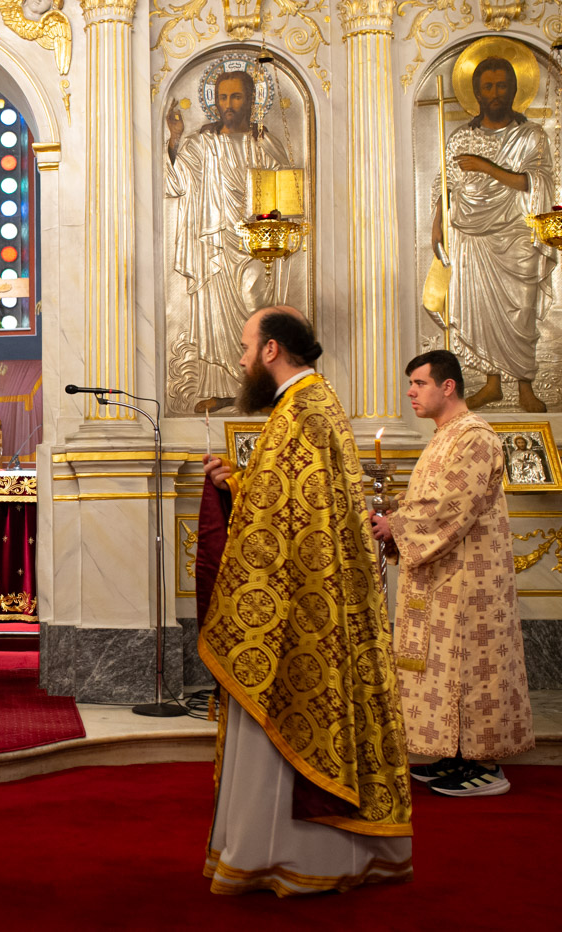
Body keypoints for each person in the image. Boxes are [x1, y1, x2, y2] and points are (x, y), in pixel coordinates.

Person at [198, 306, 412, 895]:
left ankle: (290, 859)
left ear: (271, 350)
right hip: (317, 595)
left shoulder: (301, 412)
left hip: (300, 610)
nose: (242, 359)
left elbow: (285, 521)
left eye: (246, 347)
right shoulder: (312, 404)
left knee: (282, 721)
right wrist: (235, 485)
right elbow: (290, 505)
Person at [370, 350, 535, 795]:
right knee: (445, 670)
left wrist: (395, 526)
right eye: (410, 384)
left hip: (469, 582)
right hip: (443, 577)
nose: (410, 392)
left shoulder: (474, 436)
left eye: (419, 383)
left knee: (472, 669)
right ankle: (454, 755)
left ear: (448, 387)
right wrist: (394, 518)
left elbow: (451, 504)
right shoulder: (445, 435)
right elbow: (430, 498)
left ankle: (485, 766)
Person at [433, 56, 555, 413]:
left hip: (518, 233)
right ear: (477, 93)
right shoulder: (461, 137)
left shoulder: (532, 136)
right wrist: (437, 224)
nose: (495, 93)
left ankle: (525, 387)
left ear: (514, 90)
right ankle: (491, 385)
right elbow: (445, 184)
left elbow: (536, 181)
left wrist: (486, 167)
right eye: (488, 87)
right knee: (481, 312)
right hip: (472, 236)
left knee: (521, 310)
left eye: (502, 85)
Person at [166, 65, 290, 413]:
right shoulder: (202, 143)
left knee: (255, 307)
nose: (228, 104)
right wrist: (175, 138)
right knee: (216, 319)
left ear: (250, 100)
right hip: (216, 244)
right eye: (222, 97)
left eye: (236, 96)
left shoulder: (263, 142)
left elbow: (287, 189)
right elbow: (176, 183)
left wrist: (275, 212)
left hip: (254, 244)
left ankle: (261, 391)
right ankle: (224, 392)